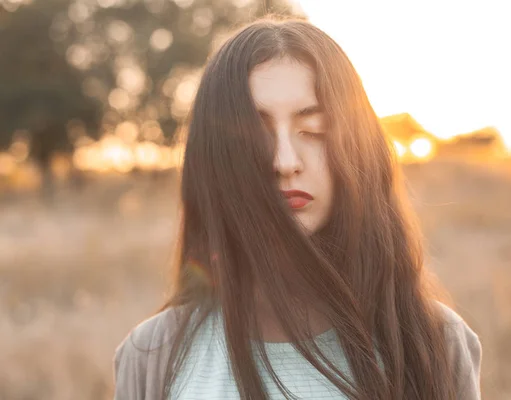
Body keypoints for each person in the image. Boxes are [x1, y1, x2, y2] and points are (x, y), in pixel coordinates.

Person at [113, 16, 482, 400]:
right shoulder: (152, 354)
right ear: (215, 160)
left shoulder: (435, 343)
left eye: (314, 131)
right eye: (256, 135)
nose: (285, 161)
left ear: (358, 149)